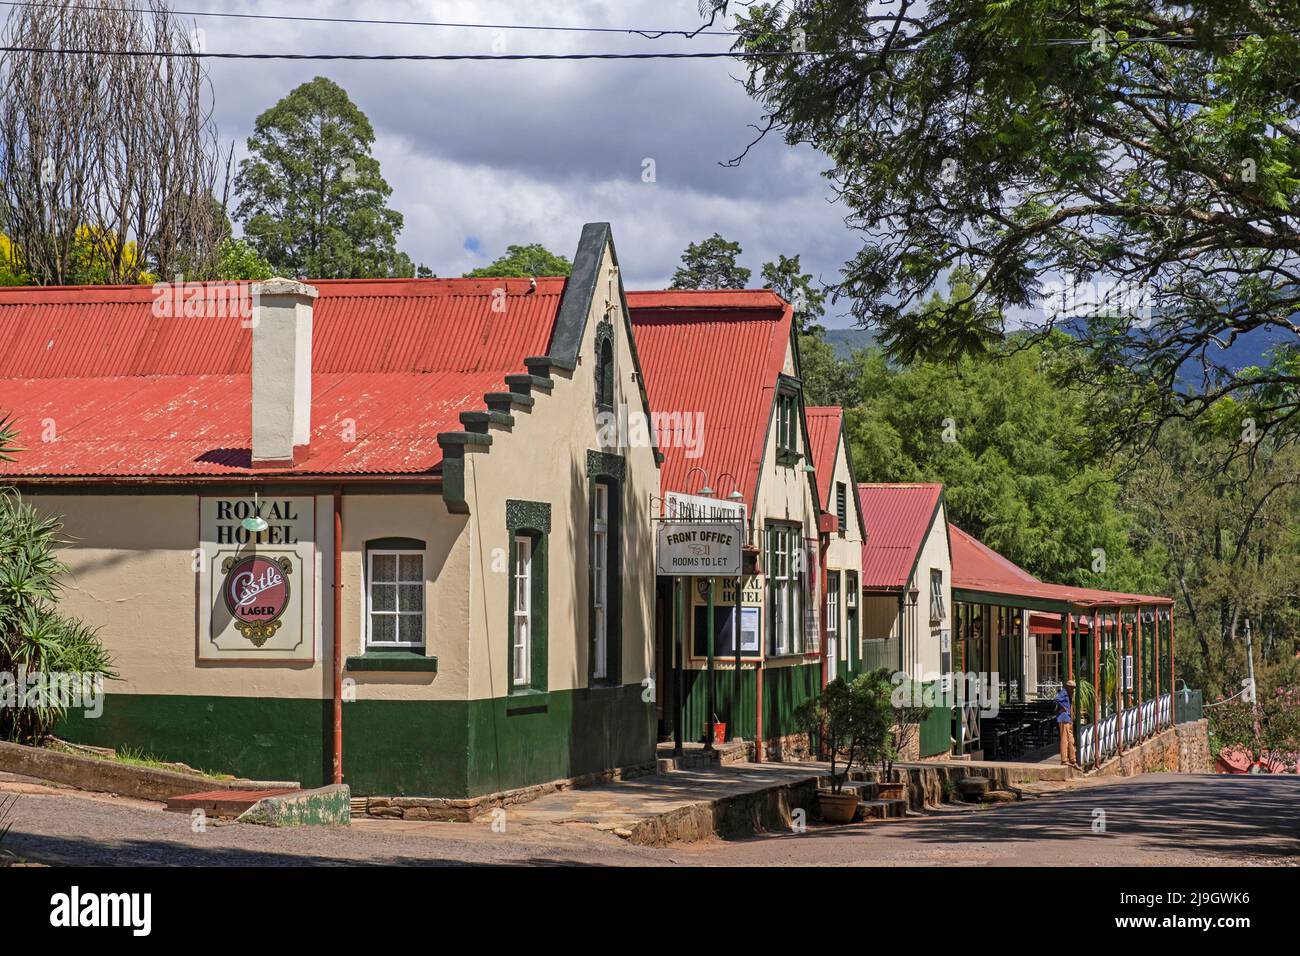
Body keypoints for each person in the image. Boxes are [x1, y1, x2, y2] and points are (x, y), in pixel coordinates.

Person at [1055, 679, 1080, 769]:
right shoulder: (1064, 692)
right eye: (1072, 688)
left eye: (1074, 688)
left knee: (1071, 740)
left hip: (1068, 719)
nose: (1073, 689)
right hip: (1064, 718)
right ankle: (1064, 760)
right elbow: (1057, 699)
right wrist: (1063, 708)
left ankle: (1072, 759)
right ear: (1068, 687)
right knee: (1065, 740)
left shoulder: (1069, 694)